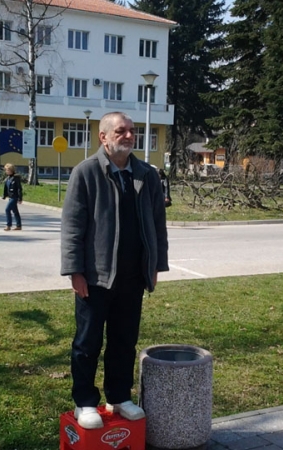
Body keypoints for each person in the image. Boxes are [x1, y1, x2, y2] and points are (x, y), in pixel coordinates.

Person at [61, 111, 169, 430]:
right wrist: (74, 271)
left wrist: (156, 266)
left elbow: (158, 226)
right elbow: (72, 227)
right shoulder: (86, 173)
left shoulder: (146, 174)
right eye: (120, 131)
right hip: (95, 277)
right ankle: (84, 402)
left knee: (124, 340)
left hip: (133, 277)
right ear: (103, 137)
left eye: (132, 131)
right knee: (88, 343)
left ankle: (119, 397)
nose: (128, 136)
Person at [1, 163, 23, 231]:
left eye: (7, 170)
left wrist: (20, 198)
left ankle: (8, 225)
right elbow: (6, 188)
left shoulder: (16, 178)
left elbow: (19, 188)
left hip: (15, 197)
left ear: (11, 170)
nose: (6, 171)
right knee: (15, 211)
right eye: (6, 170)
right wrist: (4, 195)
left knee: (7, 209)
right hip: (10, 197)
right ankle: (19, 226)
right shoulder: (8, 178)